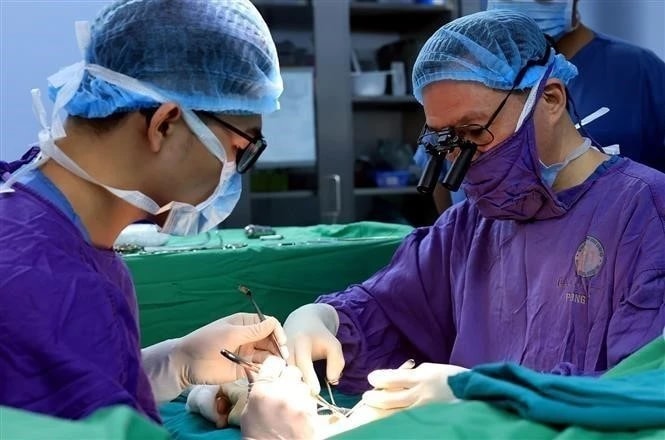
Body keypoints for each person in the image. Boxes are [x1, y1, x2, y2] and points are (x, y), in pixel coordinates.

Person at [283, 10, 665, 413]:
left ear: (550, 99)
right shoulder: (470, 225)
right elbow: (387, 310)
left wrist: (486, 390)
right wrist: (325, 319)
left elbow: (641, 388)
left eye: (474, 133)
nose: (461, 158)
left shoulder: (646, 214)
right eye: (447, 138)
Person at [0, 0, 313, 437]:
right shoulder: (43, 283)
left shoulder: (33, 210)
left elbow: (53, 401)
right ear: (164, 124)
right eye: (241, 148)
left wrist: (169, 365)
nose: (235, 170)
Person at [416, 0, 665, 214]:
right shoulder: (459, 73)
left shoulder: (640, 72)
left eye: (477, 131)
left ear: (552, 97)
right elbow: (438, 173)